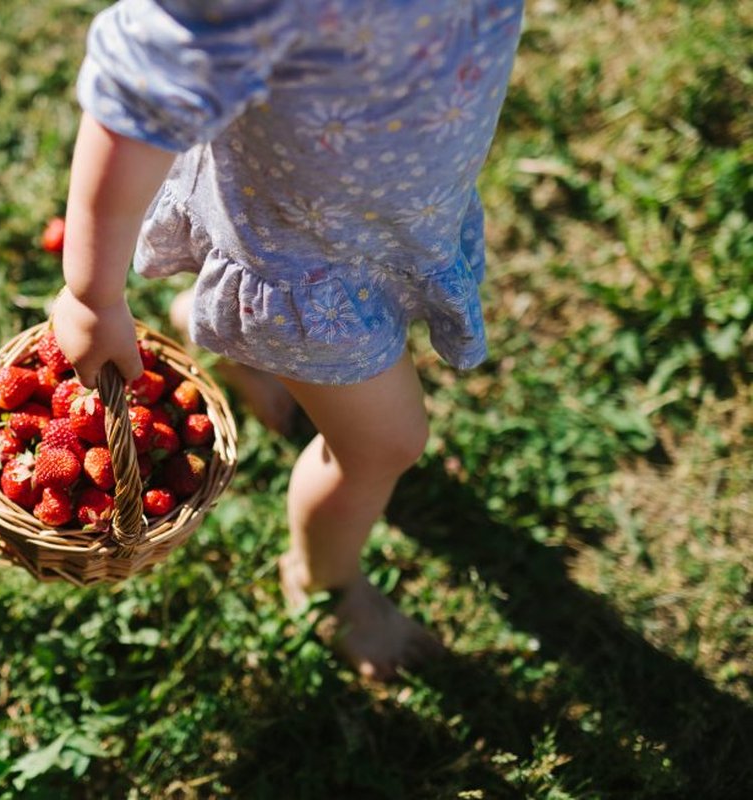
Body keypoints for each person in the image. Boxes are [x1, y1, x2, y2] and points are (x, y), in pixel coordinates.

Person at [51, 0, 524, 680]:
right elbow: (136, 92)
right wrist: (93, 293)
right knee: (384, 446)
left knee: (375, 428)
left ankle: (223, 337)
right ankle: (323, 581)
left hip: (389, 212)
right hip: (303, 266)